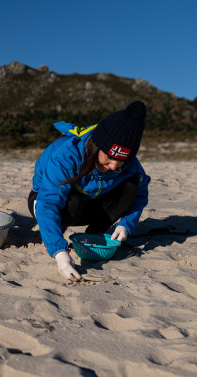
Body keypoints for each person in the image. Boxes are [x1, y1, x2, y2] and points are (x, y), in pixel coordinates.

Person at [28, 101, 150, 281]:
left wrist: (126, 223)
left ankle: (94, 235)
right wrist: (60, 253)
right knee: (72, 203)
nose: (114, 165)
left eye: (121, 160)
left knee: (131, 186)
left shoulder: (129, 164)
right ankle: (53, 236)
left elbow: (140, 191)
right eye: (109, 158)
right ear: (98, 144)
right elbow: (49, 203)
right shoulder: (67, 154)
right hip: (44, 201)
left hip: (90, 201)